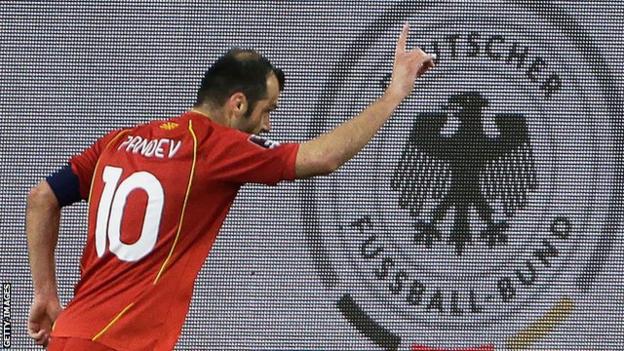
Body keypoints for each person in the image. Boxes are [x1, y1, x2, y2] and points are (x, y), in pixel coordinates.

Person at [26, 23, 435, 351]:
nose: (268, 126)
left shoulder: (116, 142)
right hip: (121, 343)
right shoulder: (214, 146)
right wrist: (396, 92)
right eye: (267, 111)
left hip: (70, 333)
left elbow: (42, 198)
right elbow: (321, 157)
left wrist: (45, 293)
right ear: (237, 103)